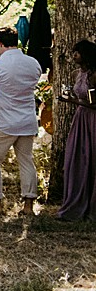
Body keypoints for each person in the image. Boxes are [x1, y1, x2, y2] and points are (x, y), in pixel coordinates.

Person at [0, 25, 43, 214]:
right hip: (27, 120)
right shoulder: (33, 63)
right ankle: (28, 205)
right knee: (26, 160)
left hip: (4, 121)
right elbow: (37, 79)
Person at [57, 40, 96, 220]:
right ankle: (75, 202)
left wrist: (73, 101)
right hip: (80, 119)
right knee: (76, 158)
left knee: (91, 158)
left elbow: (93, 103)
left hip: (91, 119)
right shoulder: (75, 74)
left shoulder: (93, 76)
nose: (74, 56)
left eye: (77, 53)